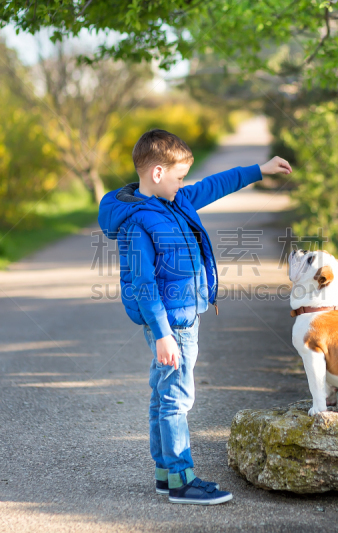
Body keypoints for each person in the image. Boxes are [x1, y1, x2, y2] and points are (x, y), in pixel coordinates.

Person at [98, 128, 292, 505]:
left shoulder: (175, 201)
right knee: (176, 399)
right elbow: (143, 284)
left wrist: (259, 169)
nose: (183, 183)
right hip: (173, 326)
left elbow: (215, 185)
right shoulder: (138, 223)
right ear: (157, 173)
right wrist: (163, 334)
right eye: (179, 176)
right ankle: (182, 480)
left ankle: (165, 474)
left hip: (179, 321)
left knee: (163, 395)